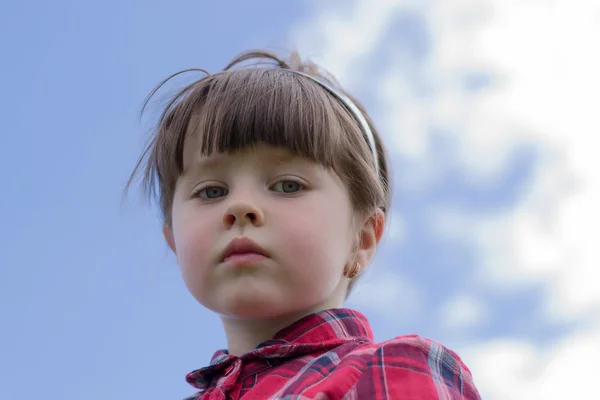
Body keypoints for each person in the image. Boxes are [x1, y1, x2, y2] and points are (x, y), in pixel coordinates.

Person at [127, 49, 482, 399]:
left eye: (288, 185)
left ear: (362, 239)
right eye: (211, 191)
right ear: (173, 240)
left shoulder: (391, 369)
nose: (239, 207)